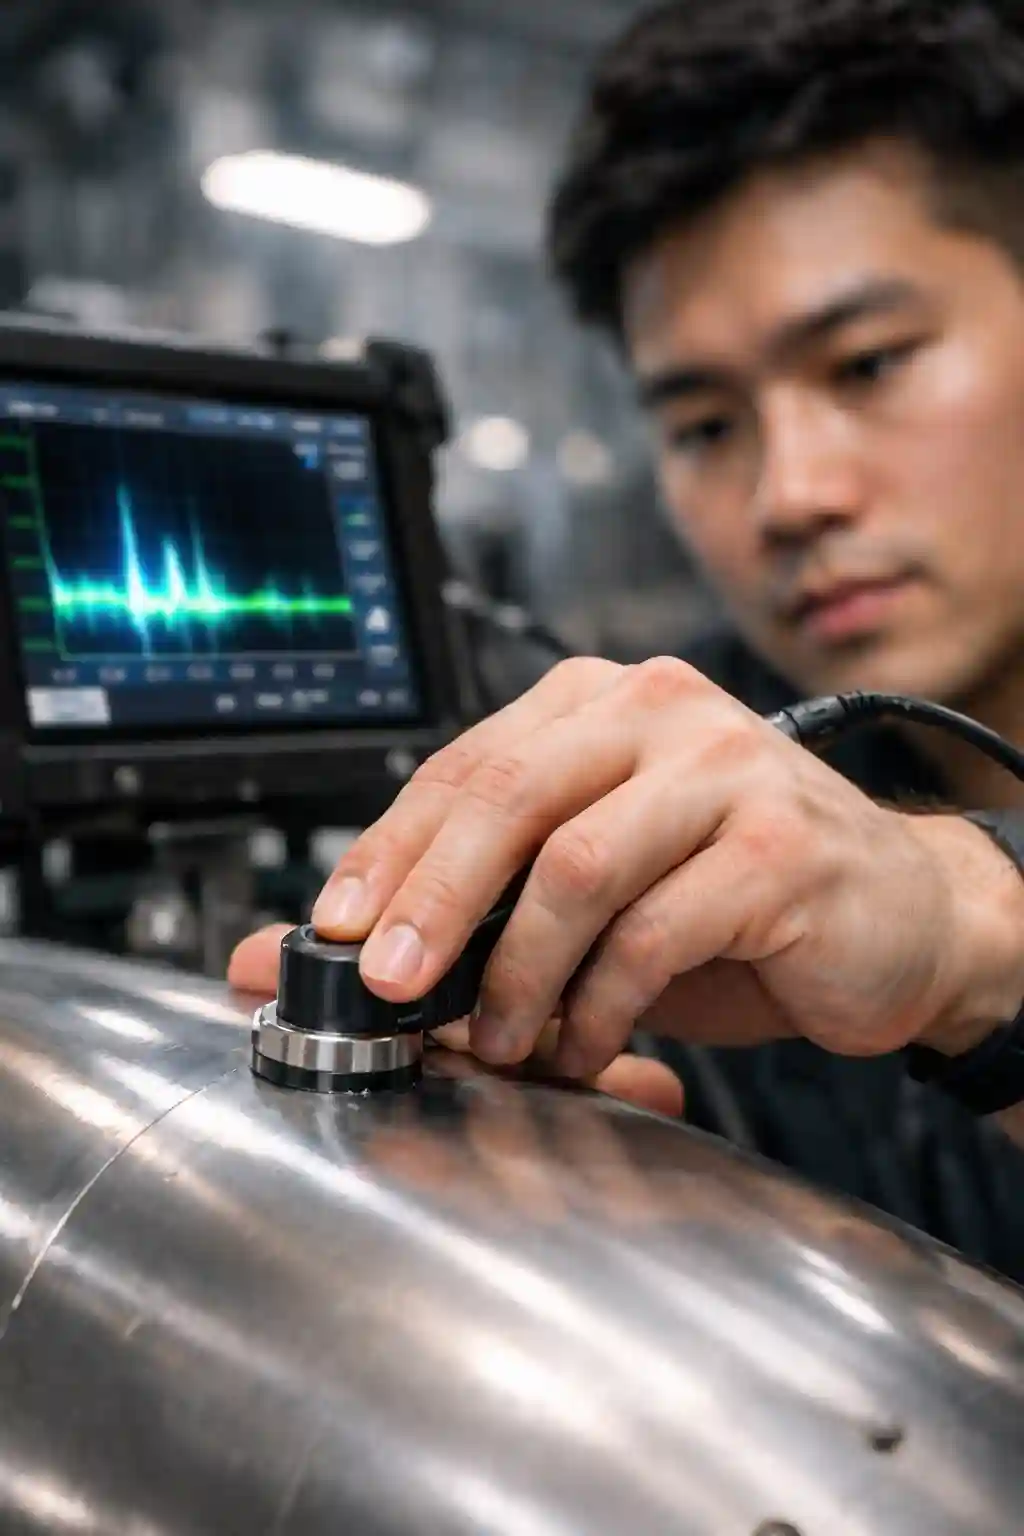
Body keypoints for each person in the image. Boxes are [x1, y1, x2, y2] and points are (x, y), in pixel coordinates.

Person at [231, 0, 1024, 1278]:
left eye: (869, 363)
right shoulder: (660, 798)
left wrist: (975, 939)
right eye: (706, 426)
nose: (790, 495)